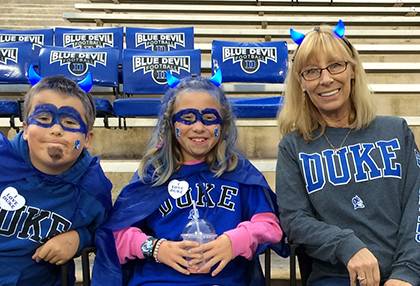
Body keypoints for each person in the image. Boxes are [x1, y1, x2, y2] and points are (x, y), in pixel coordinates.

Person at [92, 73, 283, 286]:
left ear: (224, 125)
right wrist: (156, 248)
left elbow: (270, 226)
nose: (199, 127)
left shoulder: (239, 171)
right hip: (158, 280)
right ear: (171, 125)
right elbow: (115, 235)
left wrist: (235, 241)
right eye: (187, 118)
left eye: (209, 118)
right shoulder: (153, 173)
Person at [276, 20, 420, 286]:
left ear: (352, 70)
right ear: (302, 83)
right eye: (312, 71)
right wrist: (346, 245)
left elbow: (417, 205)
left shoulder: (396, 130)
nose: (326, 79)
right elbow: (294, 220)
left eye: (335, 65)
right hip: (336, 277)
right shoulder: (292, 147)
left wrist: (407, 273)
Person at [0, 76, 112, 285]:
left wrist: (79, 238)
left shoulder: (92, 187)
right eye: (43, 119)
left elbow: (108, 230)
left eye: (69, 122)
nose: (56, 129)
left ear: (87, 139)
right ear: (24, 129)